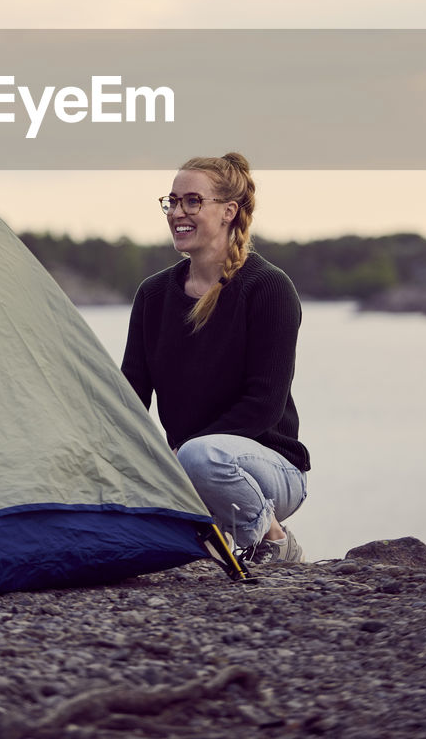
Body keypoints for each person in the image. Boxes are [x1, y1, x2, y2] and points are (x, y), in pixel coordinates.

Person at [121, 152, 310, 564]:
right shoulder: (153, 295)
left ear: (228, 212)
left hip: (266, 469)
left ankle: (275, 539)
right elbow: (131, 395)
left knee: (200, 455)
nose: (177, 212)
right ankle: (210, 530)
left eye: (192, 201)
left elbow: (263, 406)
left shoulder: (268, 288)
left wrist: (181, 455)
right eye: (172, 201)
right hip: (187, 468)